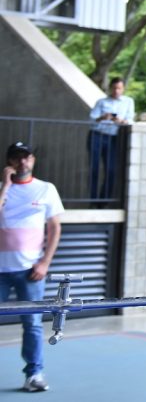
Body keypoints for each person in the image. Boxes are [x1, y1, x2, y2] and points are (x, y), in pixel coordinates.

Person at [0, 142, 64, 392]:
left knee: (33, 324)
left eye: (26, 157)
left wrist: (45, 262)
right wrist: (6, 185)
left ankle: (34, 375)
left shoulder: (46, 189)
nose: (22, 163)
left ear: (33, 160)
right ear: (10, 163)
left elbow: (55, 228)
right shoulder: (2, 191)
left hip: (30, 271)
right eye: (17, 158)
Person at [88, 77, 134, 201]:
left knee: (111, 169)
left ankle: (104, 200)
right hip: (97, 135)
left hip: (113, 138)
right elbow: (91, 120)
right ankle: (92, 199)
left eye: (119, 88)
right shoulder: (102, 102)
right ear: (110, 88)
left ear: (123, 89)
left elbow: (130, 120)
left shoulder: (128, 102)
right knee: (94, 169)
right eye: (114, 88)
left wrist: (120, 120)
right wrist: (103, 117)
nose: (116, 91)